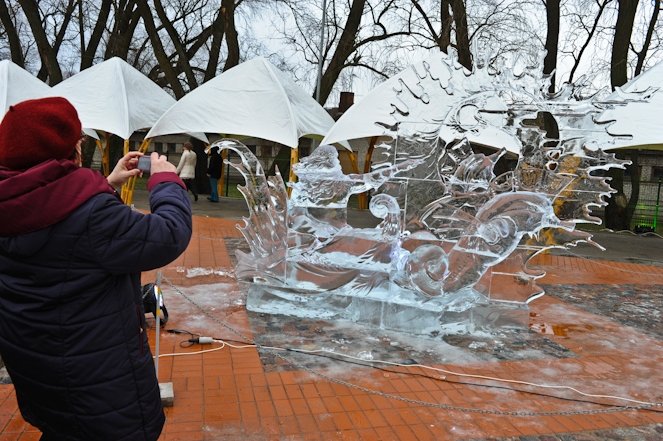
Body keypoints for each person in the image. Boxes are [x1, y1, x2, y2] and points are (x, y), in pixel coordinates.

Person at [0, 97, 192, 441]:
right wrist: (166, 181)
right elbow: (167, 236)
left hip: (40, 375)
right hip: (98, 385)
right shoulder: (92, 215)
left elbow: (52, 211)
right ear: (63, 147)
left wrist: (106, 183)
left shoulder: (10, 200)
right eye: (78, 138)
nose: (80, 144)